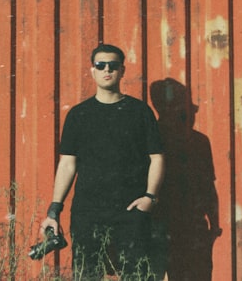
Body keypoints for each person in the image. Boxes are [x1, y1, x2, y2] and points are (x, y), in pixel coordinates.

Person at [40, 43, 164, 279]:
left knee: (137, 275)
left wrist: (150, 197)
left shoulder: (140, 112)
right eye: (101, 65)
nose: (107, 69)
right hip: (88, 213)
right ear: (93, 70)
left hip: (131, 211)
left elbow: (157, 158)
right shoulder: (78, 115)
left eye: (113, 65)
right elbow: (67, 164)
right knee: (87, 275)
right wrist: (54, 210)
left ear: (122, 71)